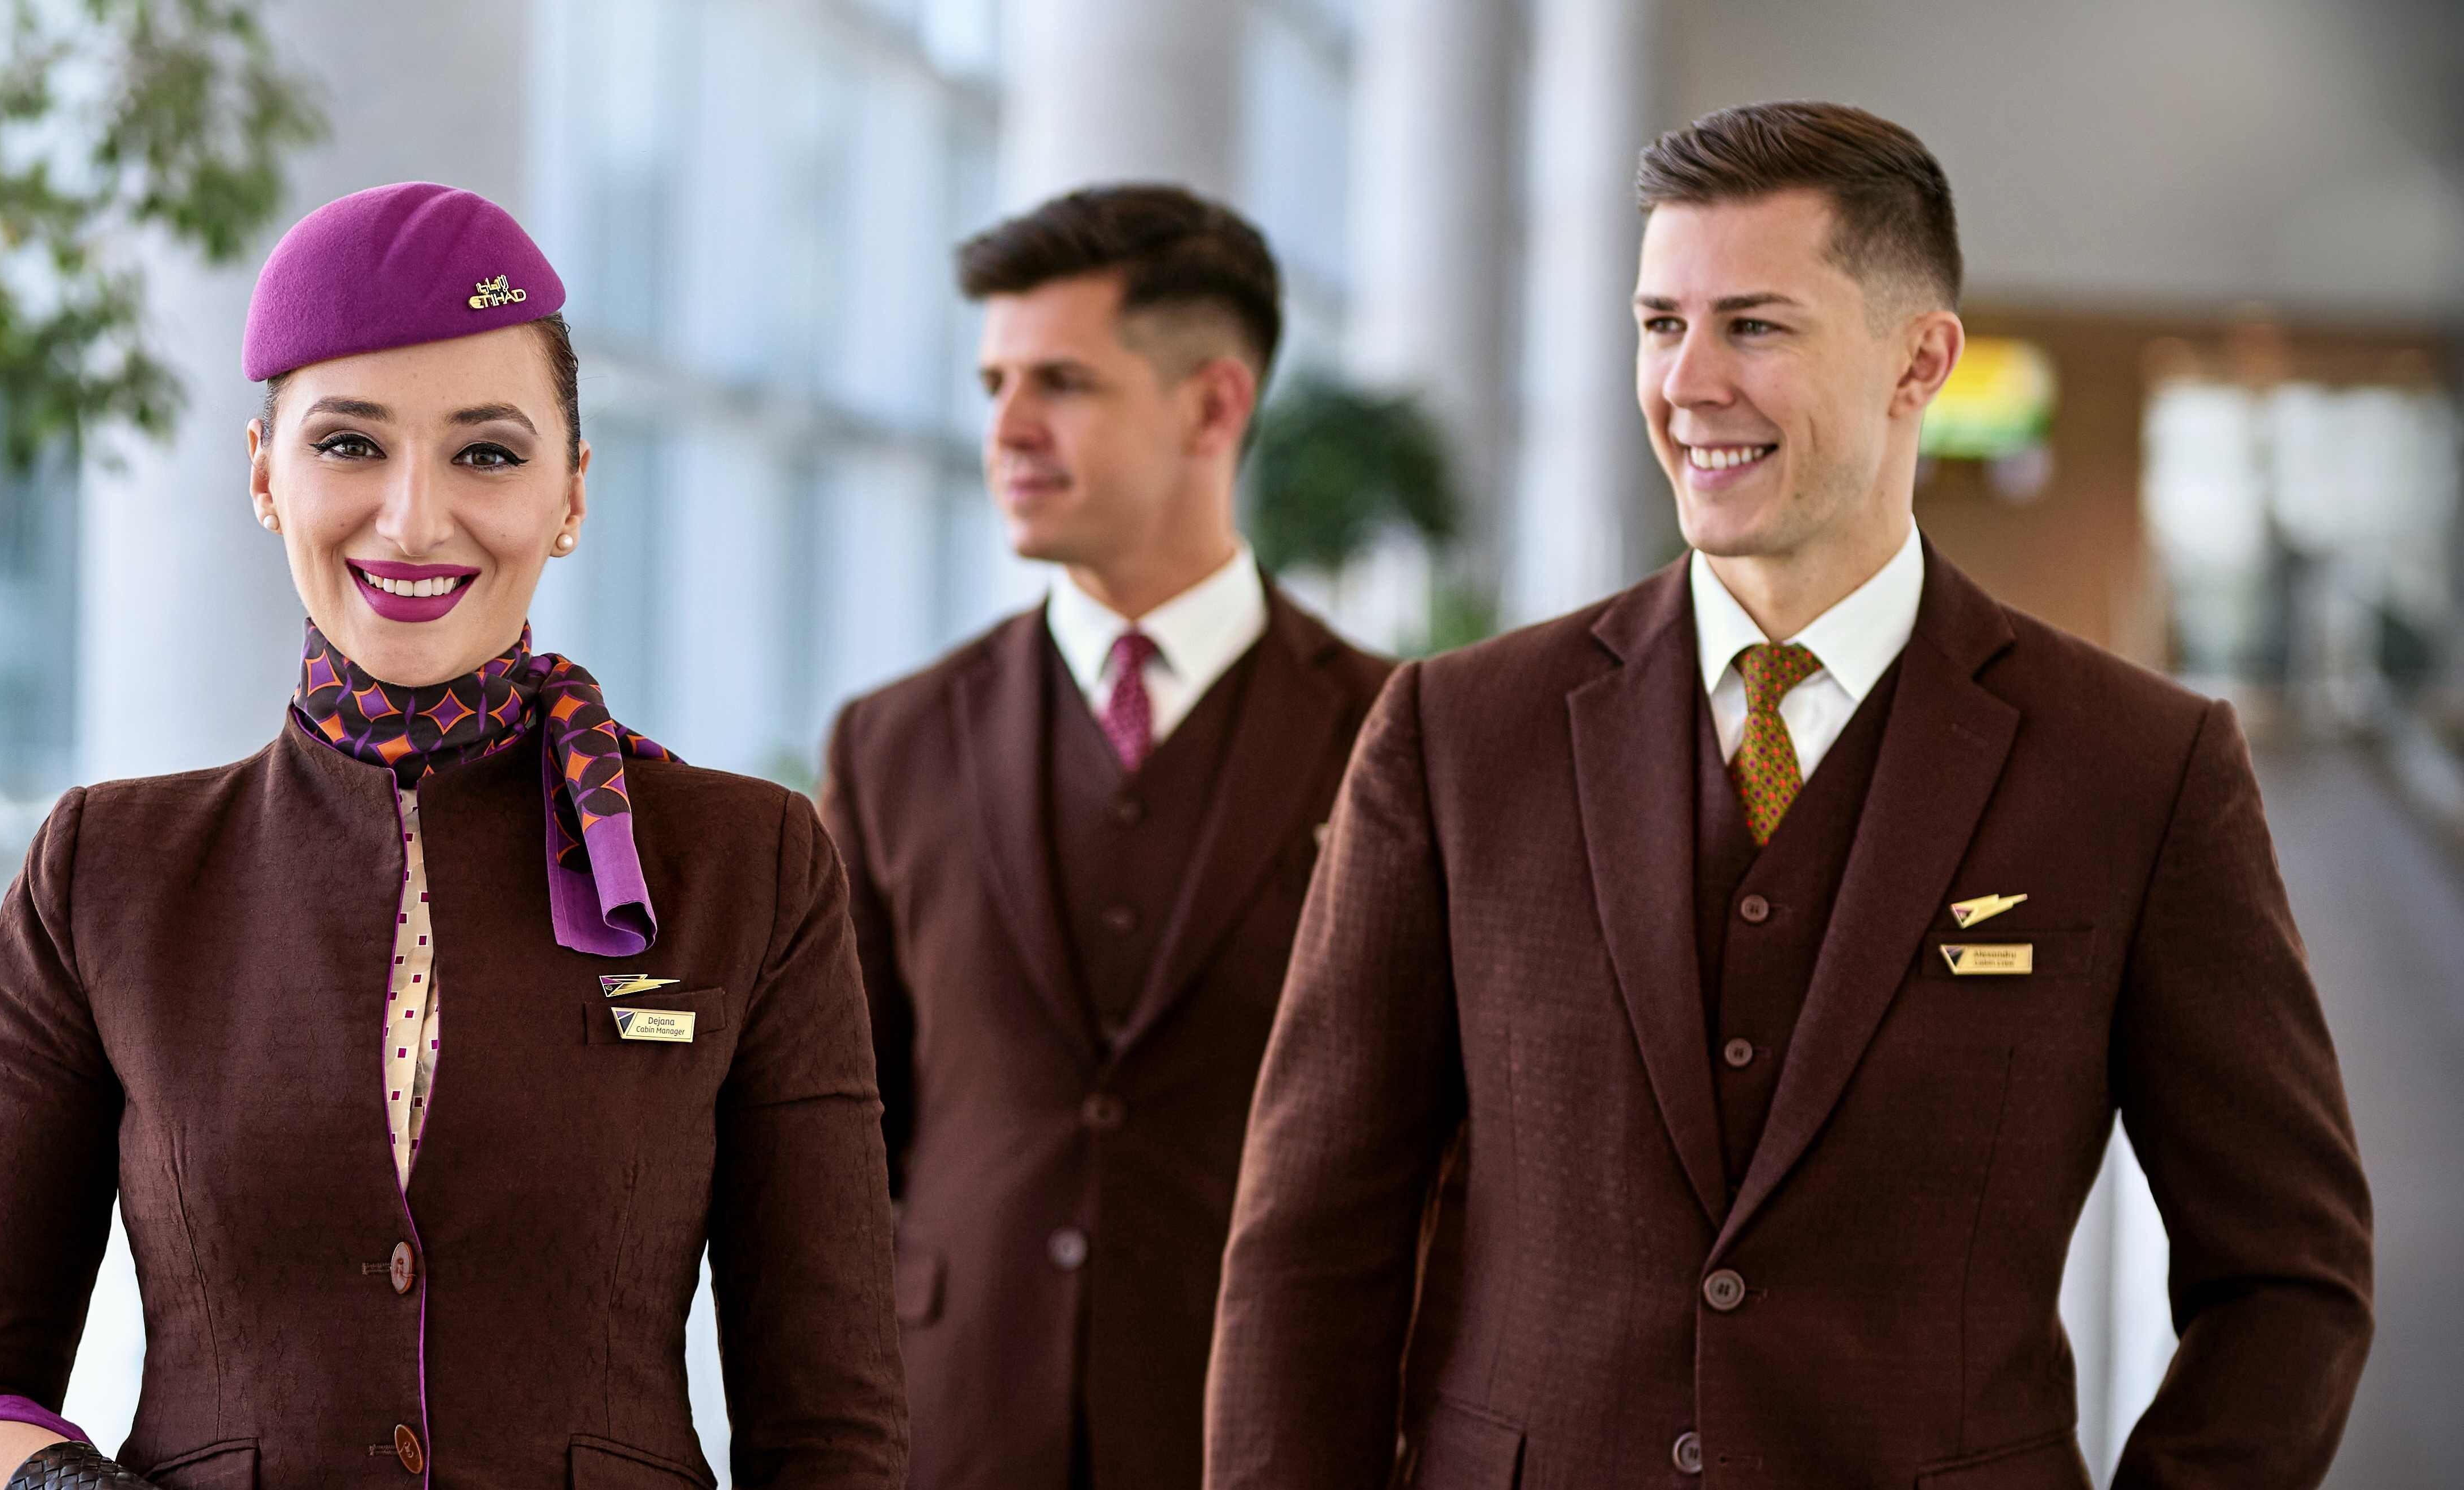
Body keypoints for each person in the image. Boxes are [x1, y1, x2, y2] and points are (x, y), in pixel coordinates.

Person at [1208, 102, 2375, 1487]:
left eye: (1754, 325)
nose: (1688, 383)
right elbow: (1311, 1246)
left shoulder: (2137, 768)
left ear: (1917, 359)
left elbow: (2289, 1277)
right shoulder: (1458, 738)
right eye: (1659, 325)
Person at [0, 181, 908, 1490]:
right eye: (350, 445)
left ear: (573, 493)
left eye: (487, 452)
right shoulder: (105, 872)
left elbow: (833, 1431)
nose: (414, 518)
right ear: (263, 473)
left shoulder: (748, 864)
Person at [818, 185, 1392, 1490]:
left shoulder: (1395, 737)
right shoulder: (891, 740)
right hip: (949, 1435)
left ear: (1213, 405)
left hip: (1266, 1433)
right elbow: (839, 1147)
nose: (1007, 430)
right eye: (994, 383)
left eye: (1062, 382)